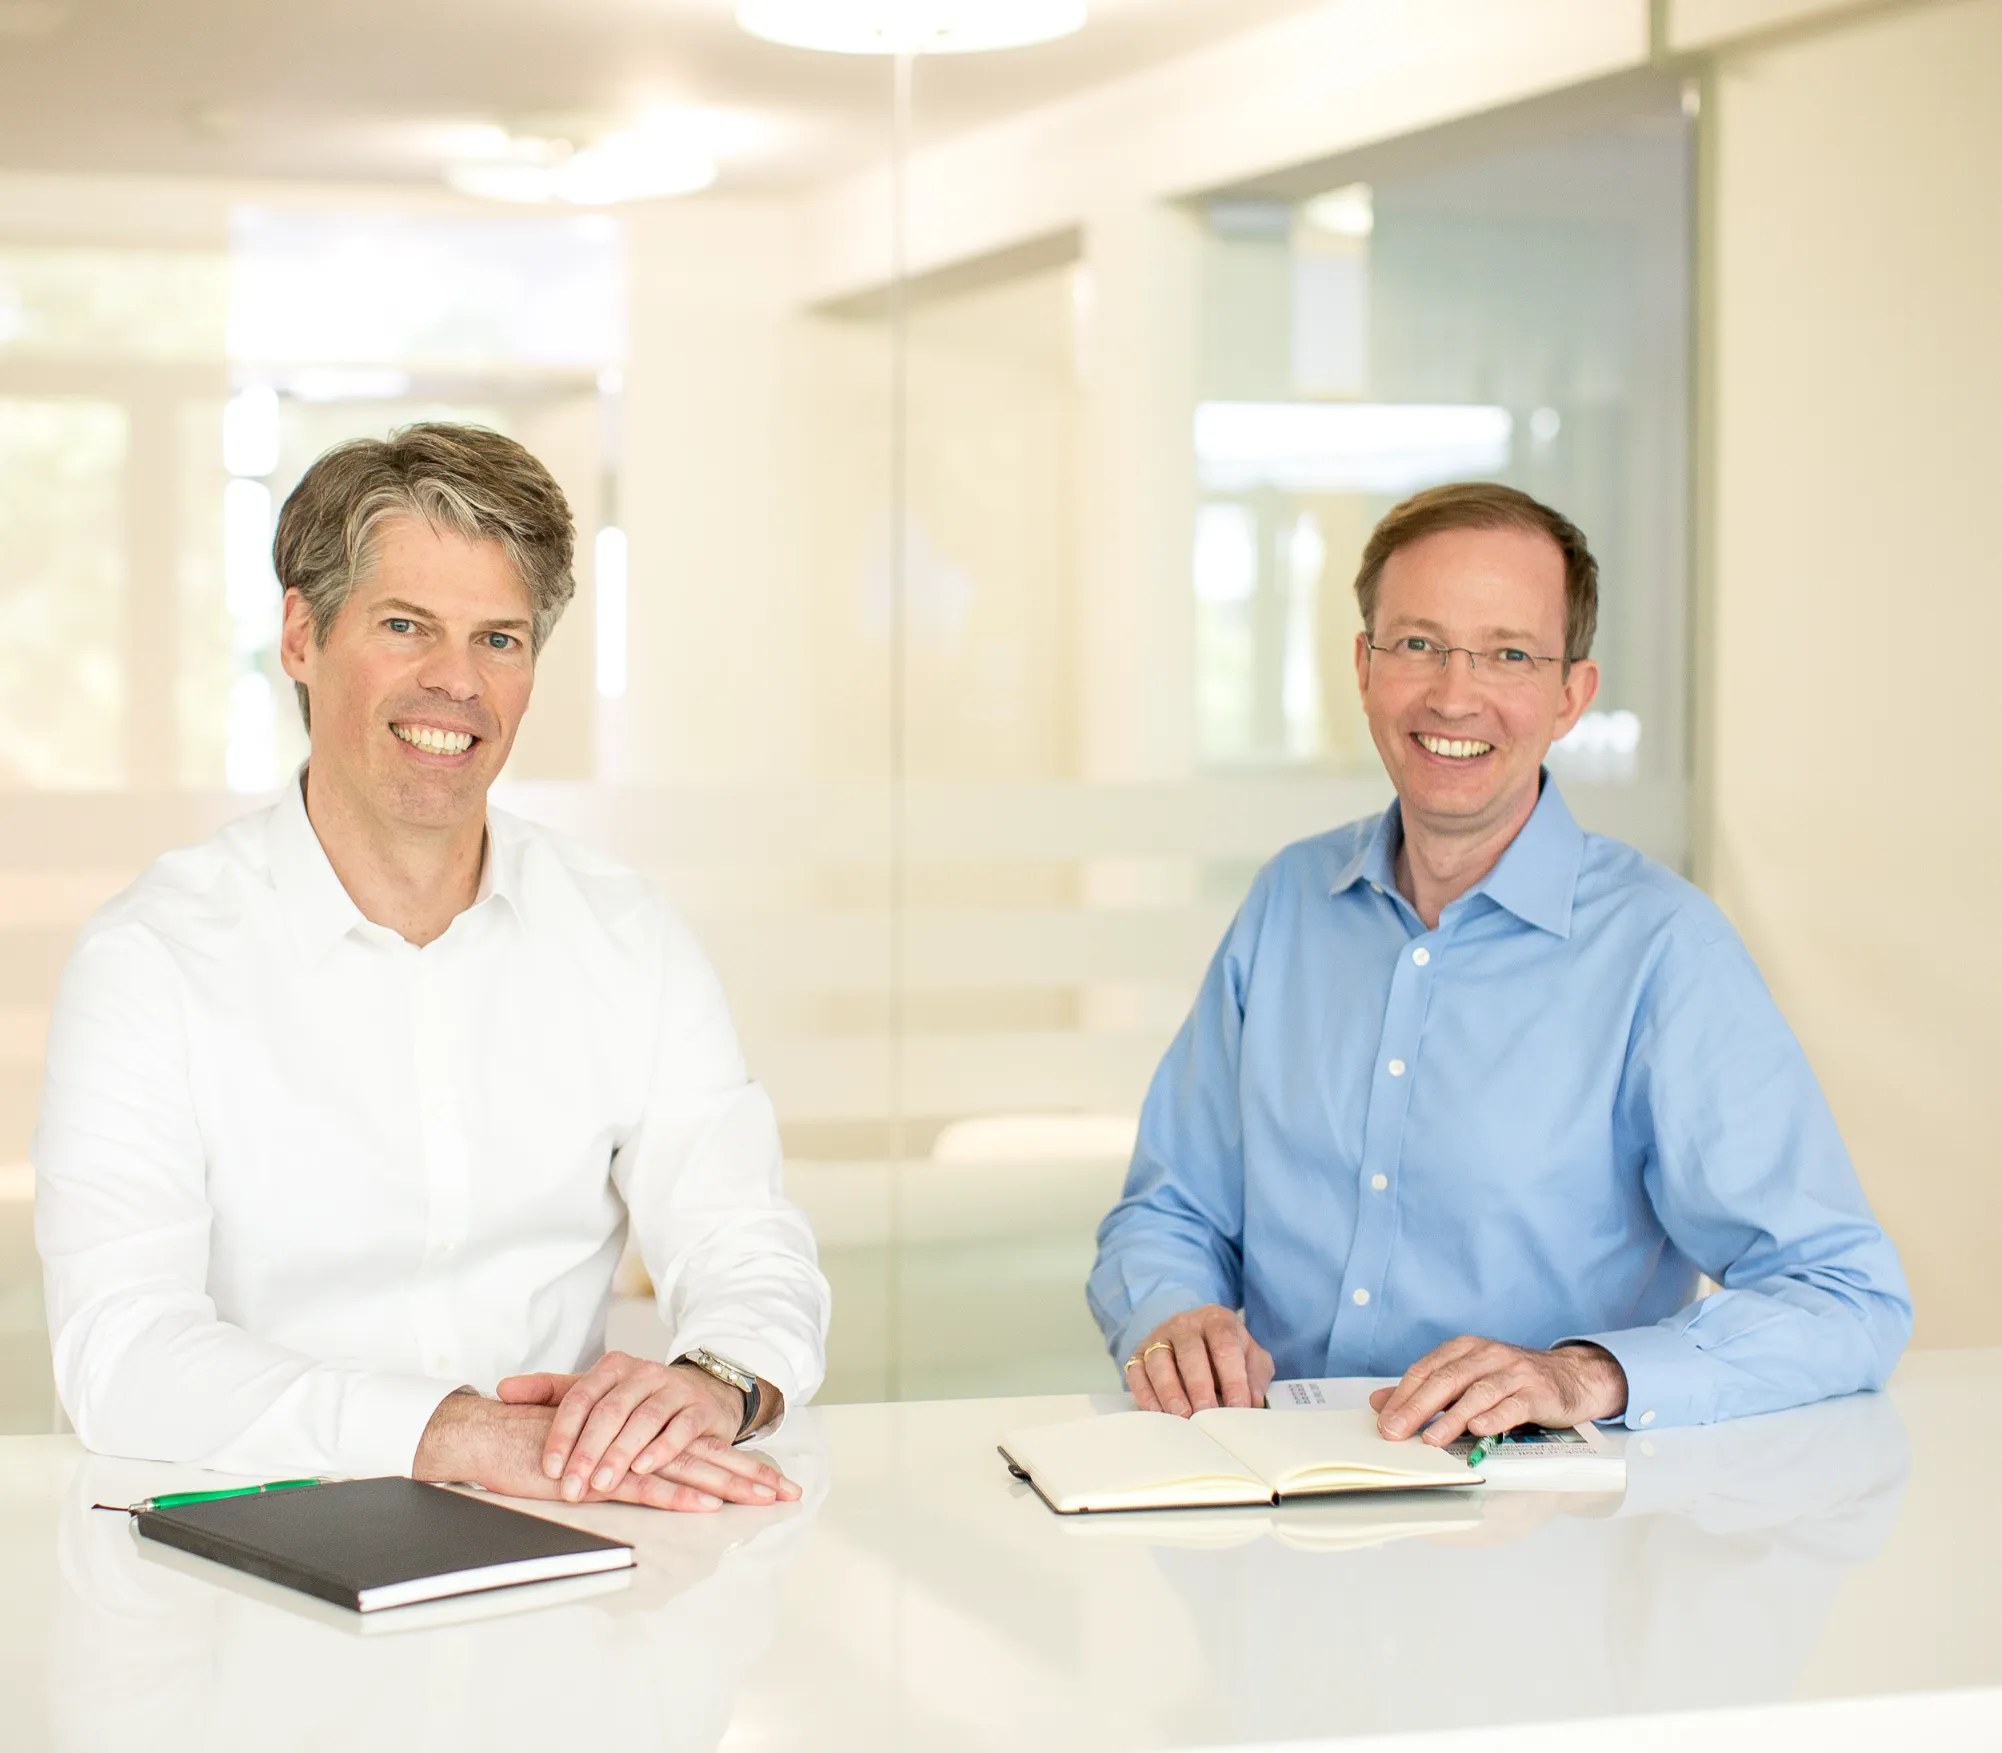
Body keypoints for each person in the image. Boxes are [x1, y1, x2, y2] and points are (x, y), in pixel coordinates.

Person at [35, 423, 828, 1513]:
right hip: (248, 1546)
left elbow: (745, 1237)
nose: (456, 681)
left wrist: (712, 1383)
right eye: (405, 625)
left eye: (498, 638)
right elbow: (121, 1352)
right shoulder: (150, 960)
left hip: (563, 1525)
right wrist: (457, 1433)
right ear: (301, 635)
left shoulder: (626, 935)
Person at [1087, 482, 1910, 1445]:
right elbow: (1168, 1209)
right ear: (1364, 667)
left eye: (1509, 653)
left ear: (1571, 696)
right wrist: (1172, 1313)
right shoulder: (1287, 904)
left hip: (1538, 1512)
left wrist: (1585, 1373)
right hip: (1272, 1483)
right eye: (1418, 643)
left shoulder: (1663, 952)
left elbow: (1844, 1295)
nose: (1453, 694)